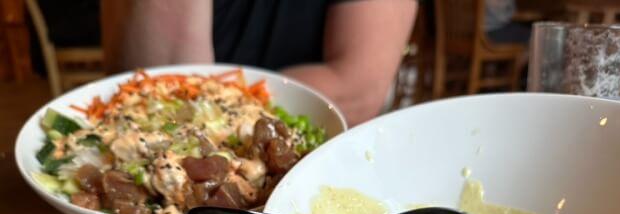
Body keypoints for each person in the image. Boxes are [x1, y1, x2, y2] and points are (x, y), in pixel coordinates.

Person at [101, 0, 417, 125]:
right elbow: (150, 84)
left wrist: (221, 115)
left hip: (307, 175)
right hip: (155, 200)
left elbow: (356, 89)